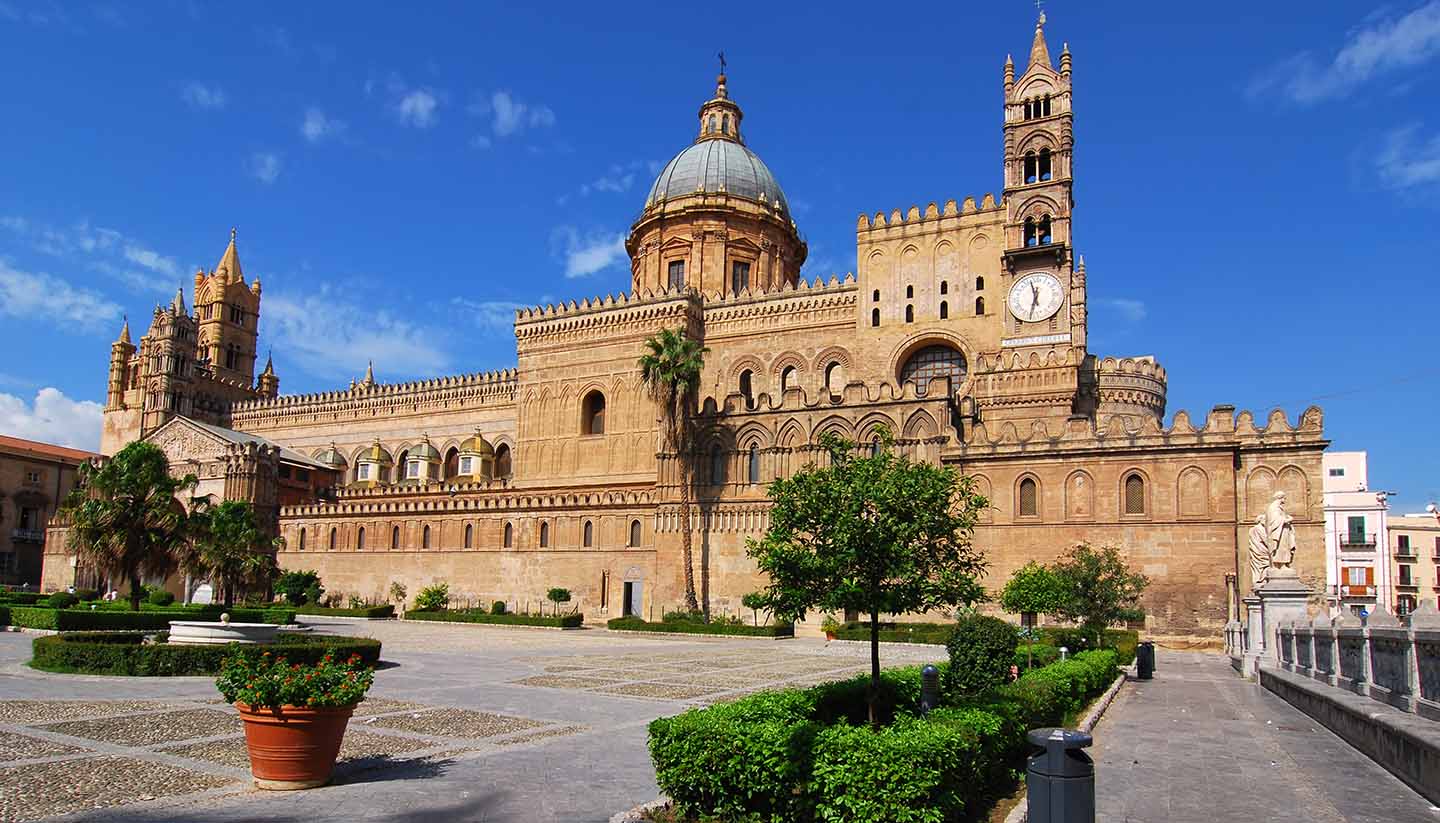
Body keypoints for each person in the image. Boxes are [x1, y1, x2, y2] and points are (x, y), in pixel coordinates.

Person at [1265, 491, 1297, 569]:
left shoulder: (1278, 507)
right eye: (1284, 498)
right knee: (1281, 547)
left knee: (1284, 547)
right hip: (1279, 532)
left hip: (1283, 531)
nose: (1285, 500)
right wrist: (1288, 519)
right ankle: (1281, 565)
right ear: (1280, 498)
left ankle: (1283, 564)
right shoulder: (1274, 507)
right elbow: (1275, 520)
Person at [1247, 515, 1270, 586]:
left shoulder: (1252, 529)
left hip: (1256, 550)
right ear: (1260, 520)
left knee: (1257, 567)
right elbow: (1266, 540)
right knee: (1266, 564)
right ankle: (1262, 581)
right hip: (1261, 550)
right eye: (1265, 520)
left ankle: (1258, 580)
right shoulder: (1259, 528)